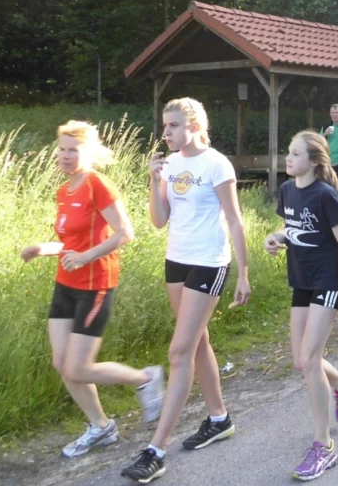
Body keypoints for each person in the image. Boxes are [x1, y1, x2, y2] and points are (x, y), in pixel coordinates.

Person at [121, 98, 252, 483]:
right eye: (165, 125)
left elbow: (234, 219)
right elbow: (160, 221)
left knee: (179, 351)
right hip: (176, 259)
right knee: (196, 343)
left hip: (209, 261)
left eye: (174, 126)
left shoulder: (216, 163)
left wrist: (243, 273)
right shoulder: (171, 163)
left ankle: (156, 450)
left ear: (194, 125)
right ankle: (219, 418)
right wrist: (152, 179)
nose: (166, 132)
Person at [21, 121, 164, 460]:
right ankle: (101, 427)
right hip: (65, 285)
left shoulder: (97, 185)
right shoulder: (64, 190)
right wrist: (42, 248)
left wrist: (85, 256)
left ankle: (145, 378)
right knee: (61, 362)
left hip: (95, 285)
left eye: (74, 150)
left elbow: (124, 233)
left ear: (88, 153)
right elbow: (69, 243)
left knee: (77, 367)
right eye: (62, 149)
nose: (66, 156)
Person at [263, 131, 338, 481]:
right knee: (301, 361)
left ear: (314, 161)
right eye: (287, 152)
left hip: (327, 282)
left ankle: (324, 446)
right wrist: (275, 236)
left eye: (294, 154)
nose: (287, 159)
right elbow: (292, 227)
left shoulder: (325, 194)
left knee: (308, 361)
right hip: (301, 281)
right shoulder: (289, 191)